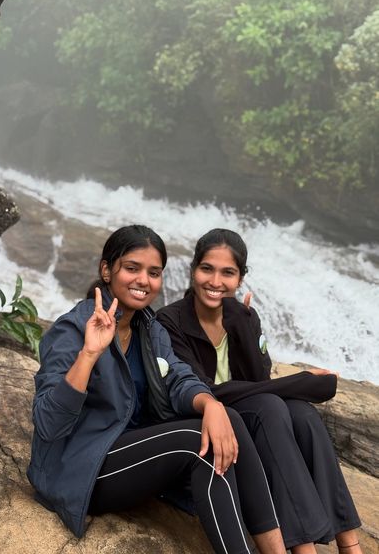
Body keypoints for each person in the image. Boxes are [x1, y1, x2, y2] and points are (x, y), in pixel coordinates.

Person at [27, 224, 288, 554]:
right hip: (80, 470)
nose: (143, 281)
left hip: (131, 454)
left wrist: (210, 404)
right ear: (106, 270)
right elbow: (48, 423)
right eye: (132, 268)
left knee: (227, 417)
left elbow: (178, 377)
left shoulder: (148, 328)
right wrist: (90, 353)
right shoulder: (73, 328)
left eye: (154, 273)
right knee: (199, 444)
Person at [157, 228, 362, 554]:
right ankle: (303, 547)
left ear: (240, 279)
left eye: (228, 273)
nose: (215, 281)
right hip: (206, 420)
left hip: (248, 415)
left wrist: (241, 325)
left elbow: (258, 378)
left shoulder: (243, 317)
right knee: (270, 406)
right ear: (193, 269)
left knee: (303, 413)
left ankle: (350, 544)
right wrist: (304, 380)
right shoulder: (169, 321)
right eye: (207, 268)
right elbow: (206, 391)